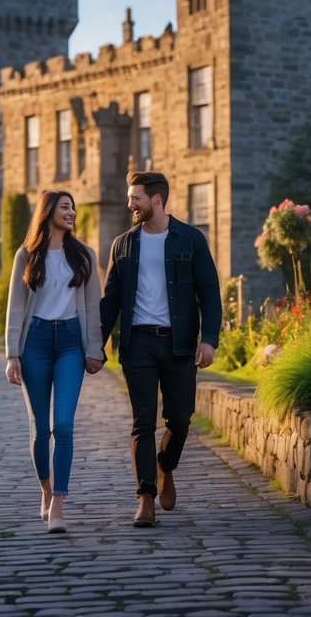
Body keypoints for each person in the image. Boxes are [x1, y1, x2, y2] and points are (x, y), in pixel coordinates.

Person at [100, 171, 221, 527]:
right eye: (129, 198)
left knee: (180, 420)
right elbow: (110, 301)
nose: (129, 204)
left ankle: (165, 465)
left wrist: (209, 339)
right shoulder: (123, 244)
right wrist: (95, 345)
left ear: (156, 200)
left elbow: (210, 292)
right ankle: (145, 498)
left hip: (180, 343)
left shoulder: (191, 240)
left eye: (135, 198)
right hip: (138, 343)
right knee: (142, 422)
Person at [5, 190, 105, 534]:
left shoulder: (85, 256)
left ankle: (59, 504)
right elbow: (15, 307)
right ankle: (44, 490)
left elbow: (93, 307)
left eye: (73, 207)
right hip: (33, 342)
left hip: (70, 345)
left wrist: (95, 349)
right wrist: (11, 355)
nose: (72, 212)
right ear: (48, 211)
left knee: (63, 425)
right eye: (65, 206)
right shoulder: (26, 256)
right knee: (40, 430)